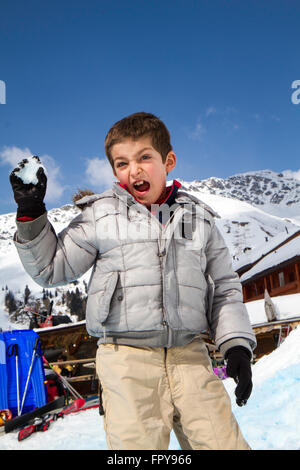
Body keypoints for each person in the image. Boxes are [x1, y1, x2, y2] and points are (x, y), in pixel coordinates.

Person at [10, 112, 256, 450]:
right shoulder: (101, 215)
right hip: (126, 360)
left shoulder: (198, 221)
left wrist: (236, 346)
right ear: (114, 171)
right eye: (122, 163)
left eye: (144, 157)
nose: (134, 170)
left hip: (190, 355)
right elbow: (51, 268)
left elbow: (225, 290)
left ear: (168, 161)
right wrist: (31, 214)